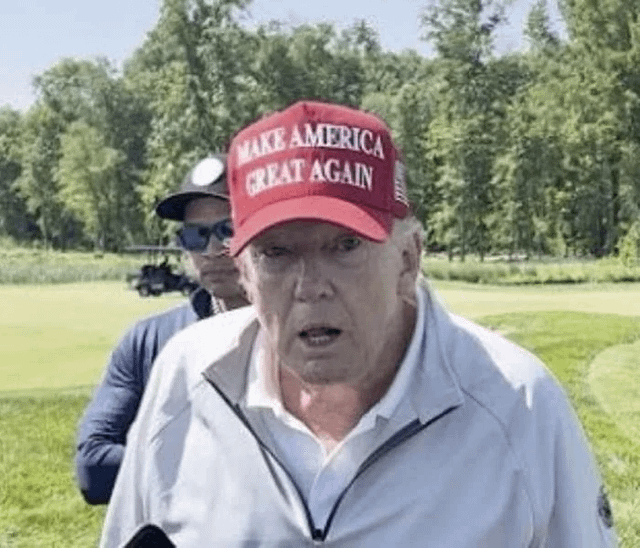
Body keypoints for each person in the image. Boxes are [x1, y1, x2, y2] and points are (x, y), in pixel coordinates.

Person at [100, 101, 617, 547]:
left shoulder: (518, 405)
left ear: (408, 259)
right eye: (276, 253)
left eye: (344, 246)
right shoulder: (186, 379)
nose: (310, 286)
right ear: (246, 274)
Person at [75, 154, 248, 505]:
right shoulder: (146, 341)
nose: (212, 250)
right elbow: (94, 468)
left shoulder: (307, 338)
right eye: (195, 235)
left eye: (228, 230)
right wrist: (227, 466)